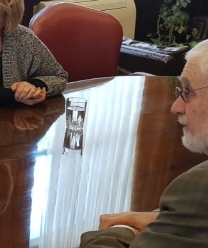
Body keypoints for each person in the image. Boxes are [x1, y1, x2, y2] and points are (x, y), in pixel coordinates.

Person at [79, 40, 208, 247]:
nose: (175, 107)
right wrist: (165, 220)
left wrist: (123, 229)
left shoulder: (197, 186)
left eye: (187, 92)